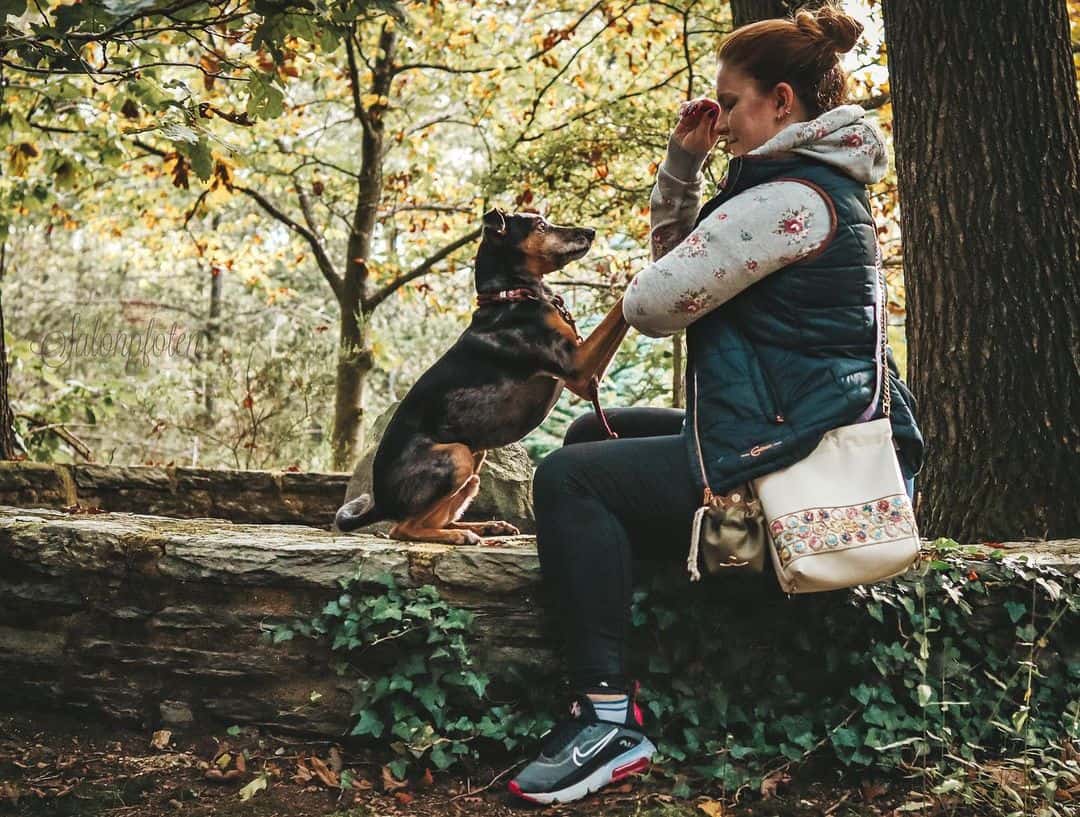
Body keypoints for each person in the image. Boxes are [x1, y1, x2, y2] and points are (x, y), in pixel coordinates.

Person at [508, 5, 924, 806]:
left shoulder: (790, 199)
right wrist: (681, 165)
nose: (720, 118)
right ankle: (642, 608)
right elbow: (686, 265)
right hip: (789, 419)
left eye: (729, 104)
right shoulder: (797, 184)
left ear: (780, 102)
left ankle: (605, 716)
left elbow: (660, 301)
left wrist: (654, 275)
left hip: (796, 449)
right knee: (601, 433)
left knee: (571, 479)